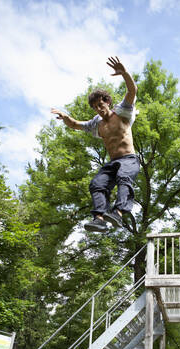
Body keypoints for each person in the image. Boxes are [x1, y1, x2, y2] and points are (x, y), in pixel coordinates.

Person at [51, 56, 139, 233]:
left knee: (124, 178)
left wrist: (125, 73)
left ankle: (119, 212)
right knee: (97, 184)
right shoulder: (96, 124)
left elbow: (132, 90)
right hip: (112, 163)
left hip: (129, 160)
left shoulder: (122, 112)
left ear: (107, 102)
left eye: (101, 105)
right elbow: (76, 125)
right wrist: (66, 118)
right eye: (95, 108)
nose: (99, 109)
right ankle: (99, 219)